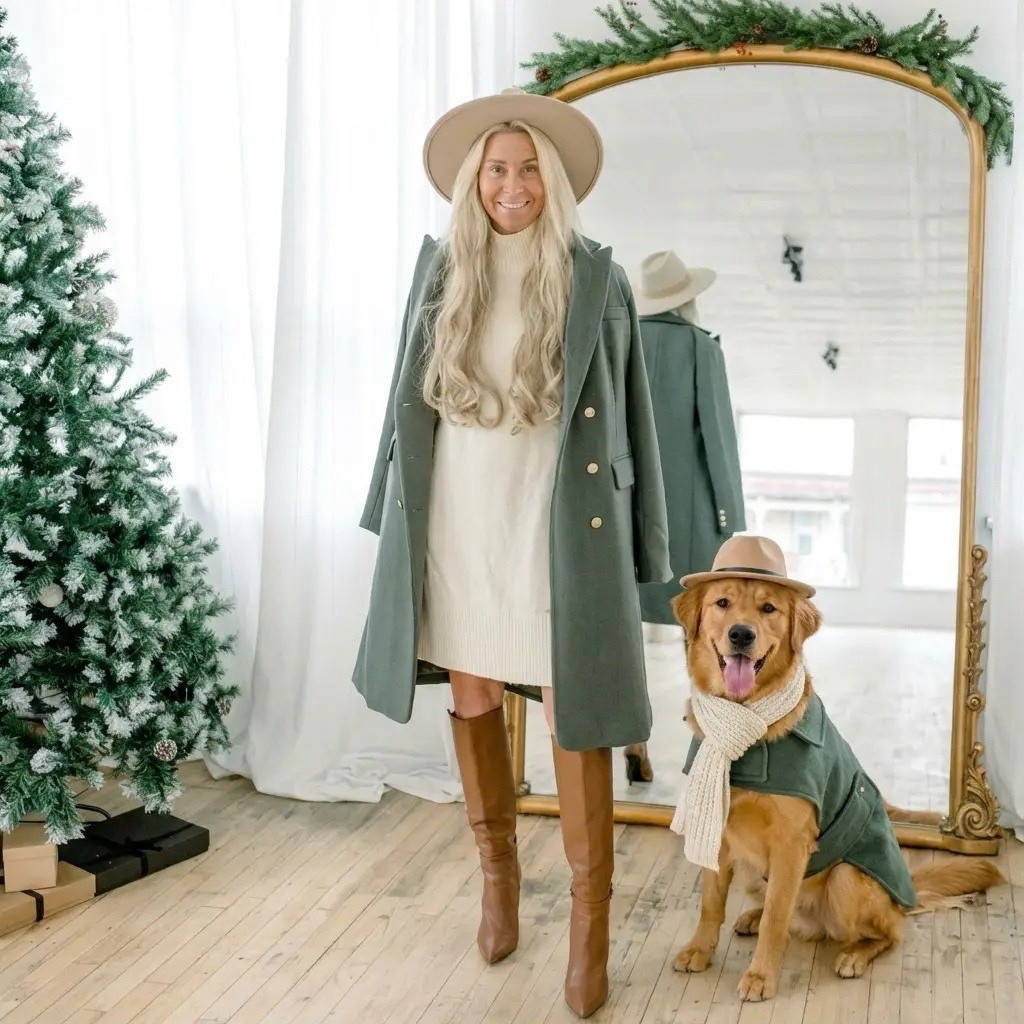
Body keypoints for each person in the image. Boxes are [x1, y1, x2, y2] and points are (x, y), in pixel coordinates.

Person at [352, 88, 671, 1019]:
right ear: (473, 181)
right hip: (459, 511)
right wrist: (385, 507)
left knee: (578, 705)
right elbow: (401, 402)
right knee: (474, 691)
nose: (513, 184)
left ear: (553, 181)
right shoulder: (442, 269)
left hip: (556, 518)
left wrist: (647, 545)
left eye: (530, 168)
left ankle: (588, 927)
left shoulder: (593, 278)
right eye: (497, 168)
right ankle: (497, 884)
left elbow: (634, 419)